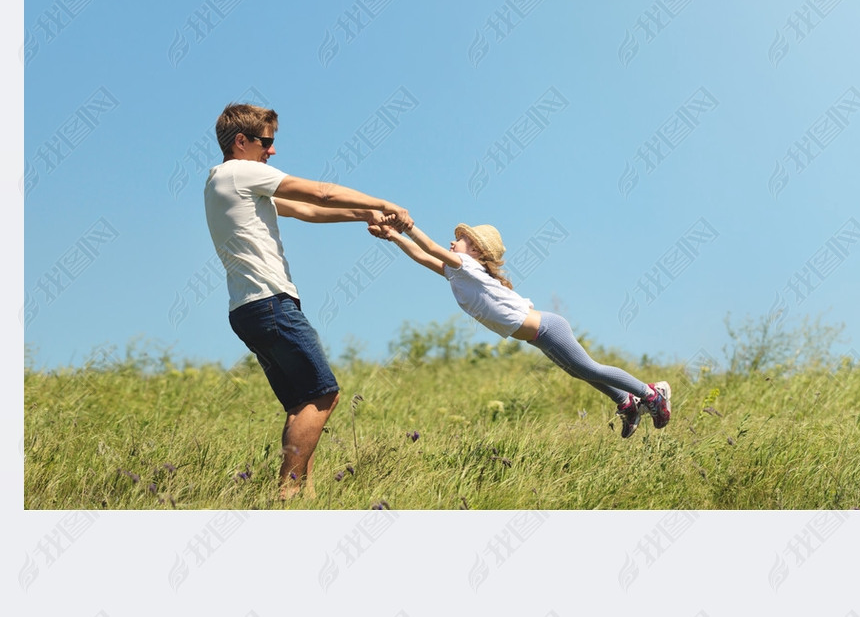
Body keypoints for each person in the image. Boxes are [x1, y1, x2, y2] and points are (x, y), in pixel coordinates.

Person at [204, 102, 412, 499]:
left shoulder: (224, 183)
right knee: (324, 393)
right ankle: (288, 492)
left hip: (247, 309)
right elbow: (321, 191)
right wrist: (387, 204)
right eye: (267, 142)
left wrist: (365, 214)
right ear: (241, 142)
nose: (273, 151)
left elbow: (305, 210)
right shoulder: (242, 171)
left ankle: (302, 495)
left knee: (302, 402)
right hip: (270, 302)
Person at [368, 217, 671, 438]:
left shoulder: (467, 266)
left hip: (549, 329)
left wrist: (407, 227)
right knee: (578, 372)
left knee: (589, 368)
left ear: (473, 250)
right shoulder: (459, 273)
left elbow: (430, 247)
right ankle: (627, 403)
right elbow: (423, 256)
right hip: (538, 337)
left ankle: (652, 394)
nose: (452, 242)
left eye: (459, 240)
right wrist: (394, 237)